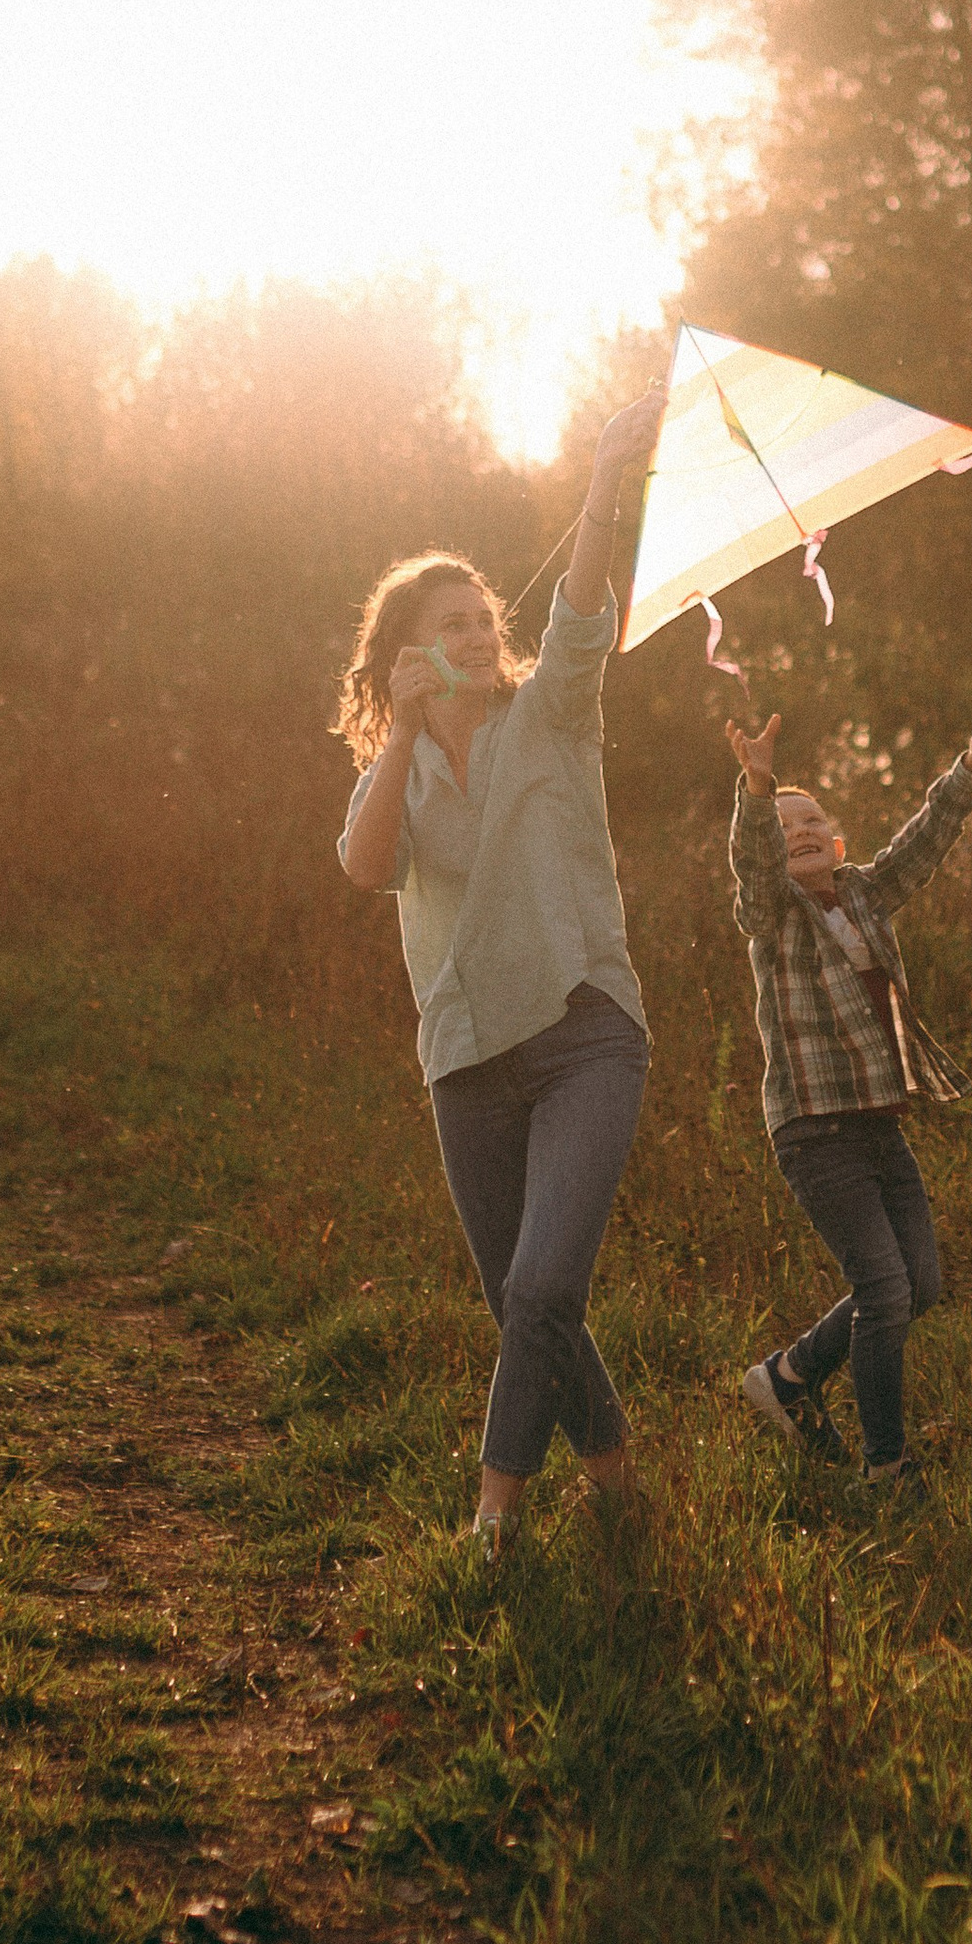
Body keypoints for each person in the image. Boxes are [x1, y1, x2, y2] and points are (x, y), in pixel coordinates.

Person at [333, 382, 666, 1567]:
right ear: (407, 656)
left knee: (539, 1288)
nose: (479, 636)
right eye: (452, 625)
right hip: (467, 1058)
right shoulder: (396, 769)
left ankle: (494, 1520)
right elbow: (366, 869)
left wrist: (604, 480)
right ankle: (620, 1489)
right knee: (527, 1303)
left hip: (583, 1036)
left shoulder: (552, 715)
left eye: (484, 619)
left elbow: (578, 613)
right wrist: (403, 738)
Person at [726, 693, 972, 1490]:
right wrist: (758, 790)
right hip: (814, 1131)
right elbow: (753, 869)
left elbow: (925, 839)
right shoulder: (773, 914)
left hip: (878, 1126)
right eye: (784, 826)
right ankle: (886, 1464)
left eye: (811, 821)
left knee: (918, 1283)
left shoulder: (863, 891)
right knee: (884, 1288)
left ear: (837, 843)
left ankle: (790, 1375)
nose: (798, 830)